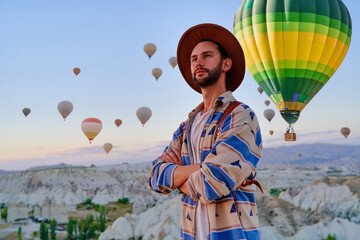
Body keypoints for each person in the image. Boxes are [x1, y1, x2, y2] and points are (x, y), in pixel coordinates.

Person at [149, 23, 262, 240]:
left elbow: (212, 184)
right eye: (193, 59)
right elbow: (155, 176)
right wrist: (203, 169)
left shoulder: (240, 116)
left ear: (226, 63)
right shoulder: (186, 126)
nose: (198, 62)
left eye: (206, 56)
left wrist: (176, 176)